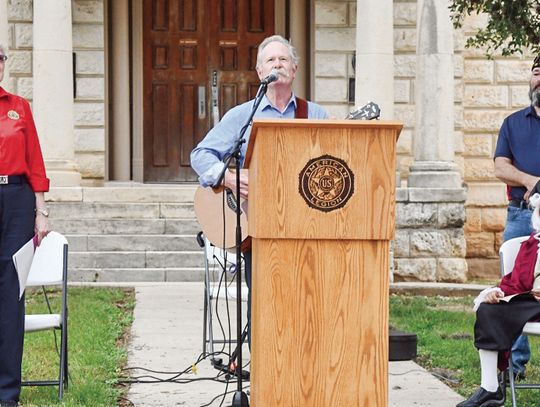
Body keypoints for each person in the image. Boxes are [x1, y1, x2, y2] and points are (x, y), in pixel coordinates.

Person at [190, 35, 329, 346]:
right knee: (263, 309)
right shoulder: (243, 116)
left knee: (306, 306)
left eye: (283, 60)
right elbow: (200, 155)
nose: (278, 64)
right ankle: (265, 380)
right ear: (259, 72)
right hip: (260, 229)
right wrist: (225, 177)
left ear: (295, 70)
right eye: (271, 60)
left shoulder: (316, 115)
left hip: (305, 228)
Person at [0, 44, 50, 407]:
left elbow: (34, 160)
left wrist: (41, 210)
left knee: (10, 298)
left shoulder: (20, 107)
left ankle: (7, 394)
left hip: (16, 200)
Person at [456, 199, 540, 407]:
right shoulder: (532, 243)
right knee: (488, 309)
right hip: (532, 301)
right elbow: (516, 280)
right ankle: (490, 388)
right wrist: (499, 292)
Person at [492, 54, 540, 383]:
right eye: (537, 72)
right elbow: (500, 166)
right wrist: (531, 182)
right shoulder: (512, 122)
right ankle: (515, 363)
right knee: (515, 287)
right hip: (521, 215)